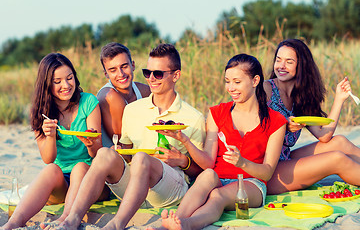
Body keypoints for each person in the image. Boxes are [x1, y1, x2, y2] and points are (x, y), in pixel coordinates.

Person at [48, 43, 206, 230]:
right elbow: (127, 153)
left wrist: (182, 161)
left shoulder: (193, 117)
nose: (152, 79)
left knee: (141, 158)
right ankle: (71, 220)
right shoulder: (132, 110)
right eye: (148, 73)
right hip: (133, 188)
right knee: (105, 154)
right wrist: (119, 152)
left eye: (158, 74)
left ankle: (117, 224)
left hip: (170, 189)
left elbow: (202, 171)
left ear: (176, 75)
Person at [150, 53, 287, 230]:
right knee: (207, 175)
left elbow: (267, 173)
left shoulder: (275, 121)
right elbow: (208, 162)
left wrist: (242, 162)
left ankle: (187, 225)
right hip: (217, 177)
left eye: (237, 82)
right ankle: (172, 223)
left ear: (255, 81)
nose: (231, 88)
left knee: (217, 195)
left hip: (251, 183)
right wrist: (184, 140)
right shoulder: (217, 113)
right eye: (227, 81)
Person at [1, 53, 108, 230]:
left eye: (69, 78)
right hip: (61, 185)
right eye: (57, 81)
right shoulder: (40, 112)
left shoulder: (89, 102)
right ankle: (13, 223)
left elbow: (98, 155)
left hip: (90, 179)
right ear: (47, 84)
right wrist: (50, 136)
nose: (65, 85)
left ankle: (65, 219)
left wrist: (91, 143)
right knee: (51, 169)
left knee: (80, 166)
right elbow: (48, 159)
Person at [264, 39, 360, 194]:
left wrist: (339, 98)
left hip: (284, 158)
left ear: (301, 66)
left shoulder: (300, 96)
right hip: (267, 170)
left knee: (340, 142)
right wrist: (282, 126)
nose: (281, 66)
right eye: (278, 60)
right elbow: (250, 127)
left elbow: (324, 136)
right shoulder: (265, 89)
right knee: (336, 158)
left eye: (289, 61)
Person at [97, 42, 151, 147]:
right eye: (113, 70)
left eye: (124, 66)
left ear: (133, 65)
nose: (121, 74)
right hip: (117, 157)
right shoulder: (109, 96)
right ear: (106, 74)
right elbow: (123, 145)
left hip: (141, 151)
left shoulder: (144, 91)